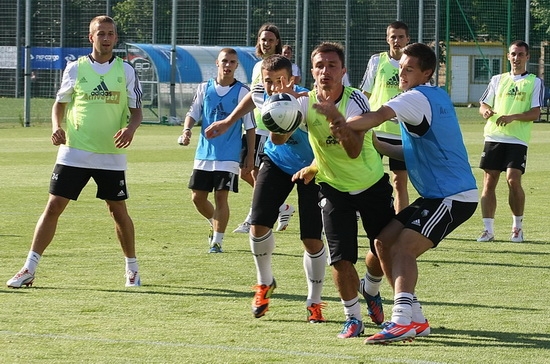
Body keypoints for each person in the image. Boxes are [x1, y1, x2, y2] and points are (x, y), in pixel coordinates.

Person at [317, 43, 478, 344]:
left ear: (427, 73)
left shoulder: (413, 98)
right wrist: (377, 145)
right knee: (384, 240)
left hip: (452, 196)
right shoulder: (435, 96)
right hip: (437, 195)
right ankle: (417, 319)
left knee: (403, 247)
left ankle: (401, 321)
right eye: (401, 67)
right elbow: (414, 151)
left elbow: (374, 116)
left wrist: (338, 123)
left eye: (409, 69)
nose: (401, 73)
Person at [6, 15, 143, 288]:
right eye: (100, 33)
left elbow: (136, 111)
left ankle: (133, 270)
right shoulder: (75, 68)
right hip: (74, 151)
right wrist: (56, 127)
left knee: (117, 211)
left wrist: (130, 129)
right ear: (90, 37)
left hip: (110, 153)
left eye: (111, 34)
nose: (106, 38)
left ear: (115, 38)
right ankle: (29, 268)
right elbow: (60, 104)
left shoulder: (126, 70)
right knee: (54, 206)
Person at [204, 54, 326, 322]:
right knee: (258, 225)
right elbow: (254, 97)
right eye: (268, 81)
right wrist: (228, 121)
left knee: (311, 239)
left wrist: (284, 112)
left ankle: (314, 301)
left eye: (279, 81)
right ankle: (264, 282)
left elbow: (281, 136)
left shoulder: (307, 101)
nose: (272, 87)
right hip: (277, 162)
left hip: (313, 169)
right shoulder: (263, 90)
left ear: (292, 80)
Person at [291, 42, 395, 339]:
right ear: (312, 71)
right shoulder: (304, 101)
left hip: (371, 183)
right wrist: (279, 107)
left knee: (382, 248)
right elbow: (280, 135)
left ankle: (371, 288)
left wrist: (335, 118)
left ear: (343, 71)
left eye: (332, 65)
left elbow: (352, 149)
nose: (325, 71)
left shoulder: (355, 101)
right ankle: (353, 317)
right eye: (320, 65)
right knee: (340, 257)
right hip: (332, 186)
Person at [180, 48, 255, 253]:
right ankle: (214, 223)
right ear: (217, 63)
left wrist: (250, 155)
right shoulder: (205, 88)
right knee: (197, 198)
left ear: (237, 66)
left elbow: (250, 126)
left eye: (232, 62)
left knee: (221, 197)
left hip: (228, 155)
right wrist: (187, 130)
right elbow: (193, 113)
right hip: (204, 153)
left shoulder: (242, 92)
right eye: (225, 61)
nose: (228, 65)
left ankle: (217, 241)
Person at [476, 40, 543, 243]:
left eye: (521, 54)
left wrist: (513, 117)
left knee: (513, 180)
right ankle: (488, 230)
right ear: (508, 56)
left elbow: (535, 113)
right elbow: (483, 104)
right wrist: (486, 111)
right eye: (513, 54)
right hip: (494, 136)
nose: (516, 58)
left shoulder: (534, 81)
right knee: (489, 182)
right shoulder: (498, 79)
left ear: (527, 57)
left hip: (517, 139)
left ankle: (517, 227)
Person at [233, 23, 295, 234]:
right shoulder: (256, 66)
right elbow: (254, 95)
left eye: (270, 39)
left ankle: (254, 215)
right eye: (263, 39)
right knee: (245, 172)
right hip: (256, 124)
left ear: (277, 41)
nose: (266, 43)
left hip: (271, 127)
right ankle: (280, 207)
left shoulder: (284, 65)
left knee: (257, 173)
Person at [359, 21, 411, 213]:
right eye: (393, 37)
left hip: (401, 132)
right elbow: (365, 93)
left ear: (408, 39)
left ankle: (401, 221)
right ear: (387, 39)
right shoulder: (376, 61)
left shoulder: (412, 63)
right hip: (376, 130)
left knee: (399, 181)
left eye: (401, 37)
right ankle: (361, 213)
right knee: (367, 176)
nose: (396, 41)